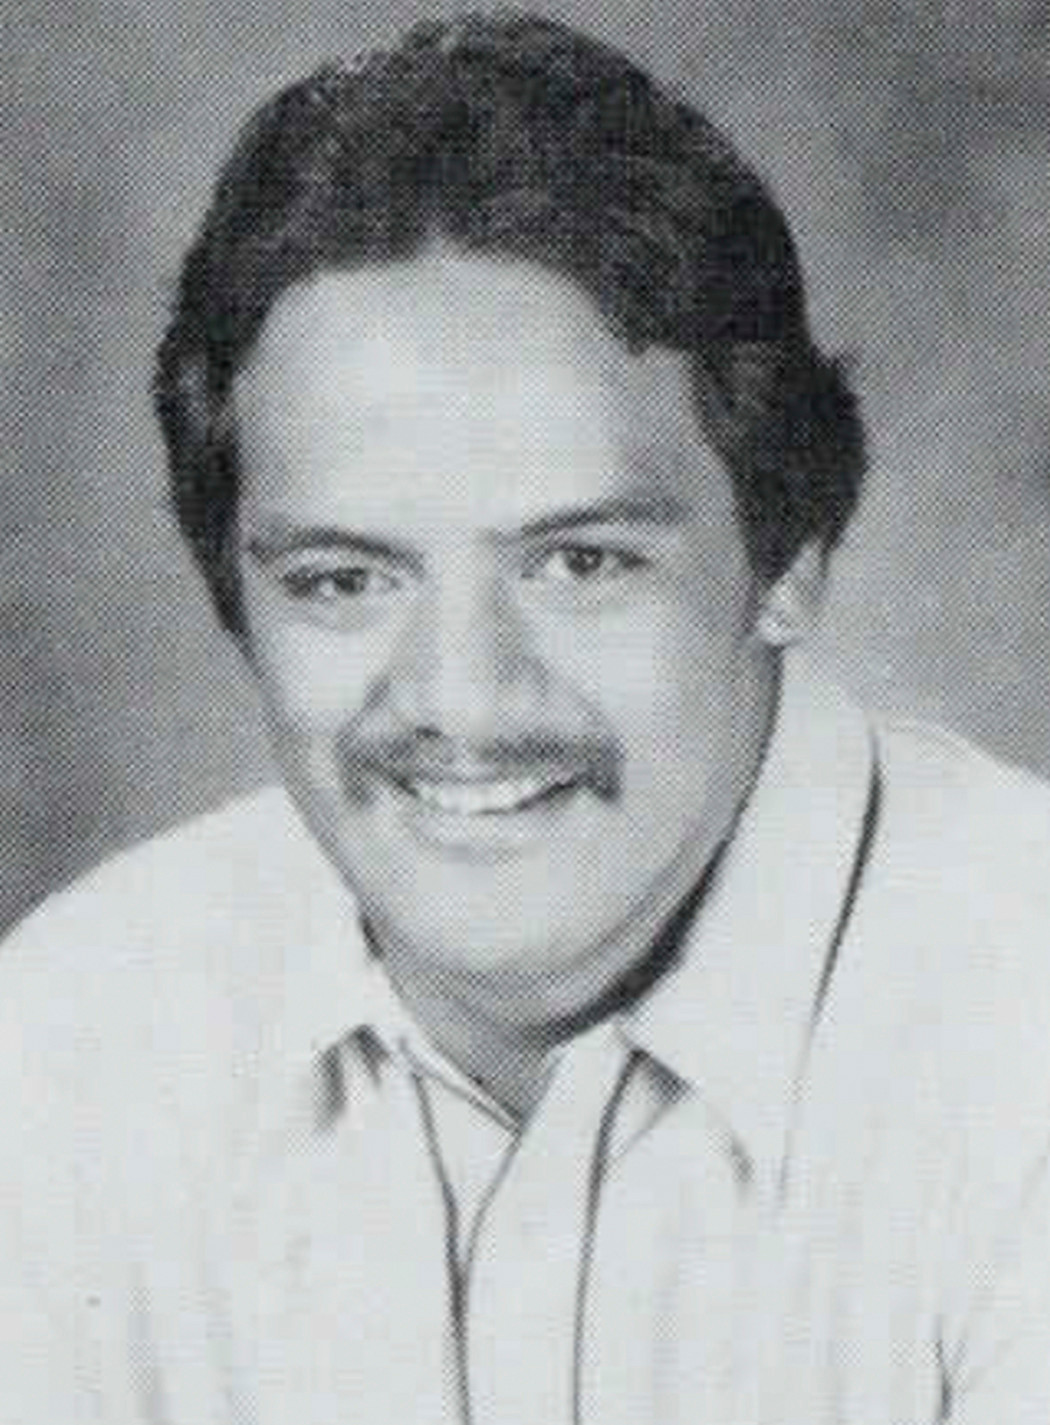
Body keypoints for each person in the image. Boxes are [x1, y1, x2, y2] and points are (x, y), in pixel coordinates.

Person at [2, 11, 1049, 1422]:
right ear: (236, 596)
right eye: (344, 579)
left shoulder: (1020, 1022)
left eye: (579, 562)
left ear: (788, 555)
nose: (461, 699)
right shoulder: (67, 1044)